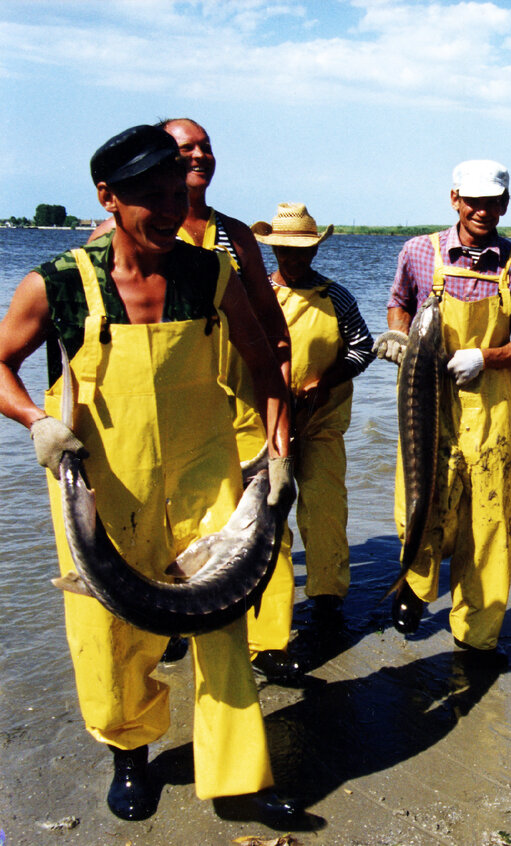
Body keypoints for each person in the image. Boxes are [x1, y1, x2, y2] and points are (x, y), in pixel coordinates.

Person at [0, 125, 315, 829]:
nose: (171, 209)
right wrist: (35, 422)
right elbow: (0, 363)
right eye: (150, 197)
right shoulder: (58, 282)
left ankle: (236, 775)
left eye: (177, 193)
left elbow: (266, 367)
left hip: (206, 473)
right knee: (106, 631)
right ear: (108, 198)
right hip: (106, 482)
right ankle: (130, 754)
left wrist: (279, 453)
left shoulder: (211, 273)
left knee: (222, 623)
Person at [89, 118, 296, 677]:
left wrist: (280, 434)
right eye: (185, 148)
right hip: (159, 415)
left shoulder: (233, 238)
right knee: (149, 536)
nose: (198, 155)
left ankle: (269, 644)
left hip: (240, 411)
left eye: (206, 146)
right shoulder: (103, 246)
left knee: (256, 534)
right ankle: (169, 633)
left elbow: (275, 338)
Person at [374, 160, 511, 666]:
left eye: (492, 202)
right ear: (454, 199)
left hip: (491, 402)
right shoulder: (419, 252)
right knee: (420, 498)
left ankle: (476, 631)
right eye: (472, 200)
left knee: (489, 521)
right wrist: (399, 339)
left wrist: (486, 357)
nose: (481, 210)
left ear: (505, 205)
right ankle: (415, 583)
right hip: (426, 396)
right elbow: (399, 304)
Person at [250, 203, 374, 624]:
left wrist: (326, 382)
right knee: (268, 511)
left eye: (302, 250)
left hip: (322, 424)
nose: (294, 257)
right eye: (286, 250)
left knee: (325, 510)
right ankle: (269, 600)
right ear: (273, 251)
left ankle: (327, 597)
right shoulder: (255, 294)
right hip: (265, 427)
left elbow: (363, 348)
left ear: (316, 250)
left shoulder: (336, 296)